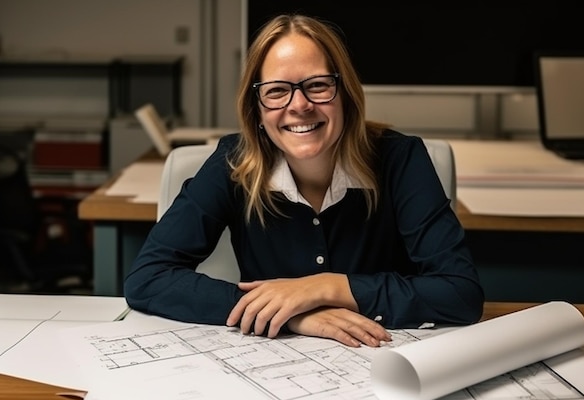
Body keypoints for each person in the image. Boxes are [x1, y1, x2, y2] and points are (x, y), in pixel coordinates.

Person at [124, 13, 484, 348]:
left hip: (387, 362)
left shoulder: (401, 159)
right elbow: (148, 279)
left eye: (317, 85)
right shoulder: (232, 162)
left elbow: (459, 294)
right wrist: (290, 314)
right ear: (258, 108)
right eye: (277, 91)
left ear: (345, 94)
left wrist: (325, 287)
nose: (299, 105)